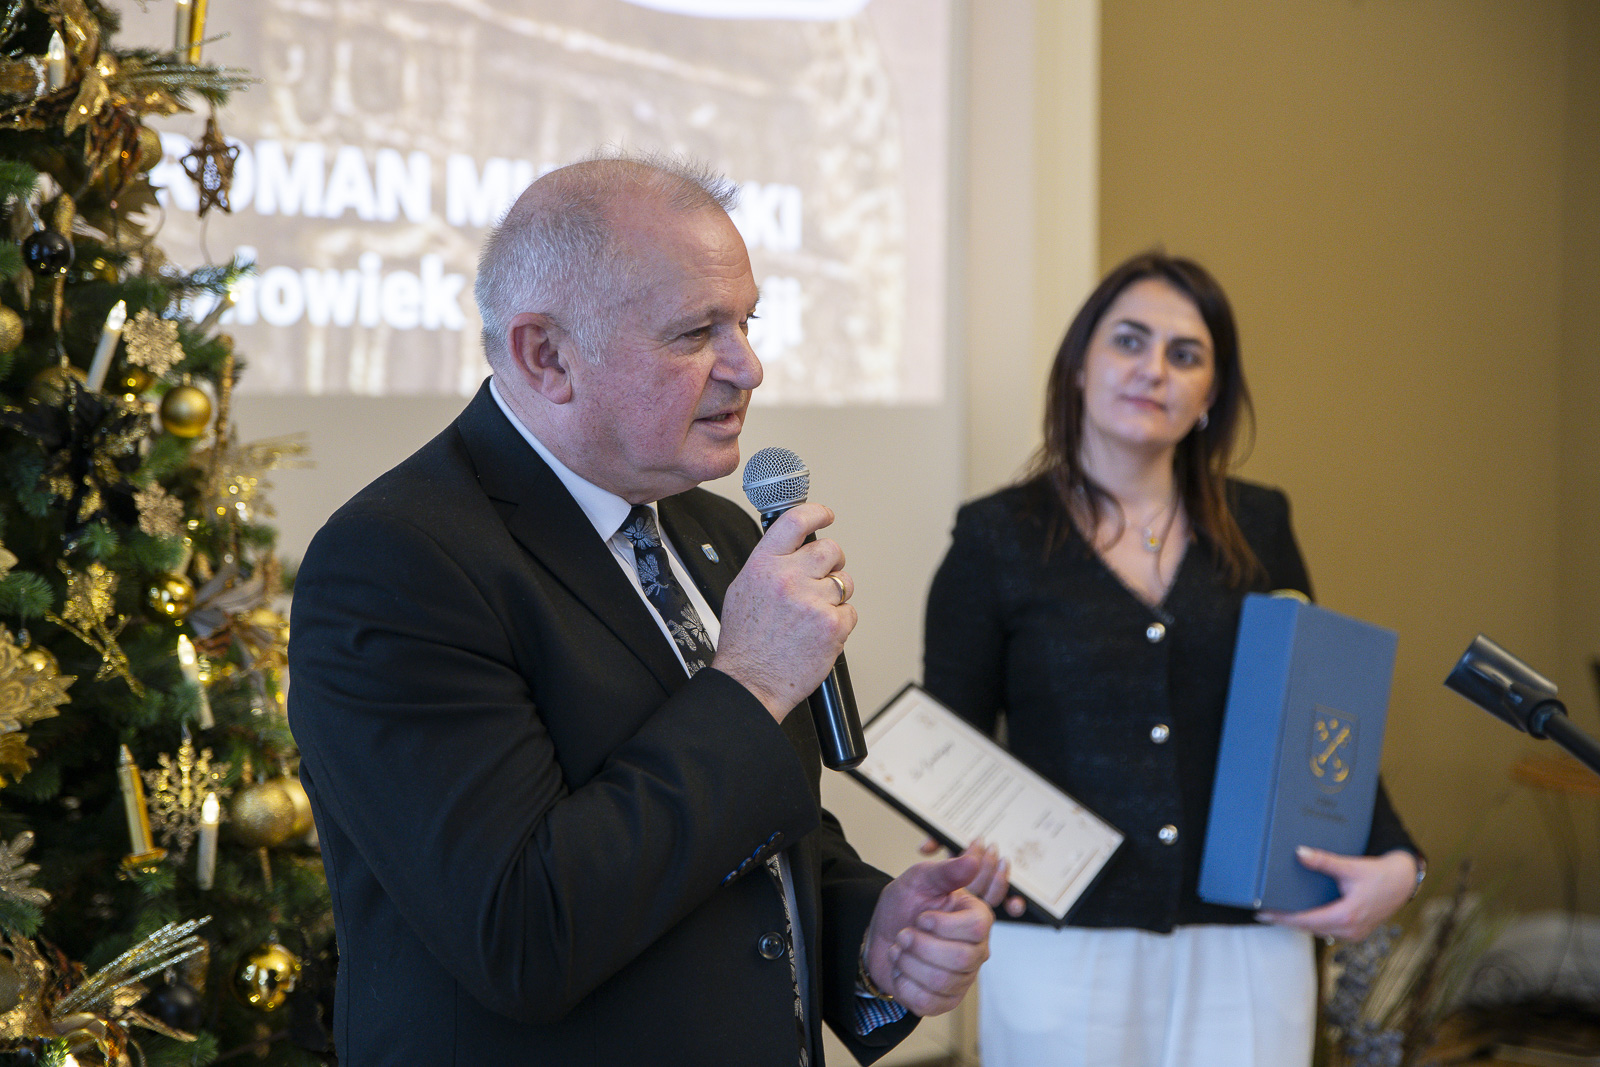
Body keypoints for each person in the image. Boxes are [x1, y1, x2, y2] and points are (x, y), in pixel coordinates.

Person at [287, 153, 1002, 1067]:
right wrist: (751, 681)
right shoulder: (398, 563)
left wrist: (870, 936)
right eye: (697, 332)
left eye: (746, 322)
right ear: (547, 356)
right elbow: (522, 931)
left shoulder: (716, 529)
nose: (748, 366)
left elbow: (758, 832)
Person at [921, 251, 1422, 1067]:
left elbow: (1317, 715)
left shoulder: (1260, 524)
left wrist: (1400, 857)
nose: (1153, 368)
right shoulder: (994, 537)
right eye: (1129, 340)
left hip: (1248, 940)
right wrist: (957, 846)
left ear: (1210, 394)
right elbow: (949, 744)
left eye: (1185, 354)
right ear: (1079, 365)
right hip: (1061, 944)